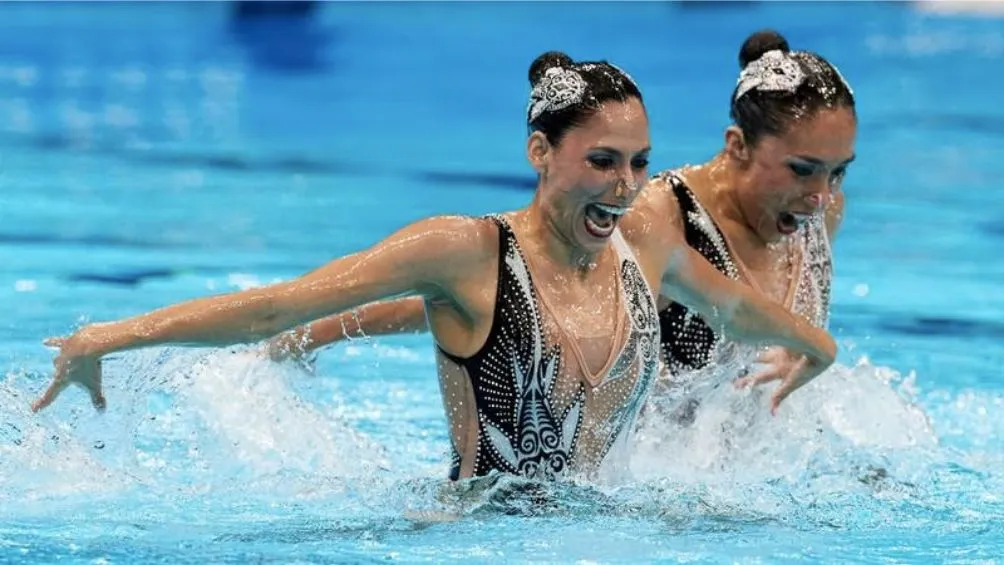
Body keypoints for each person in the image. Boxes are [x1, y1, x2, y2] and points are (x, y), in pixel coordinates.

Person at [32, 51, 835, 483]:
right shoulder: (466, 249)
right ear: (540, 152)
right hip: (482, 539)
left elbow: (735, 308)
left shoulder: (643, 246)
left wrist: (818, 349)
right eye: (601, 160)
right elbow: (284, 302)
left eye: (638, 162)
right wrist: (108, 335)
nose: (625, 185)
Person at [265, 30, 855, 416]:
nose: (821, 194)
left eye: (838, 172)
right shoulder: (653, 217)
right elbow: (495, 301)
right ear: (737, 145)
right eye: (803, 170)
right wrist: (321, 330)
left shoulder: (820, 210)